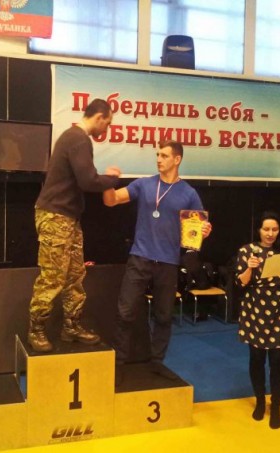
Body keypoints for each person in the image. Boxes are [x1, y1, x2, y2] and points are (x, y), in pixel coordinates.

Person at [103, 140, 212, 378]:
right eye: (157, 155)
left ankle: (157, 362)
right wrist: (108, 183)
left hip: (168, 262)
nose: (159, 159)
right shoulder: (144, 184)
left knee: (164, 316)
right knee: (125, 312)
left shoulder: (189, 193)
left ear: (177, 159)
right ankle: (117, 364)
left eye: (164, 155)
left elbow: (198, 229)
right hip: (140, 258)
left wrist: (204, 230)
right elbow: (111, 201)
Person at [27, 98, 121, 353]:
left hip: (67, 217)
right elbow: (88, 181)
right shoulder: (79, 139)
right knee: (53, 277)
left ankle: (71, 326)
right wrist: (112, 179)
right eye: (108, 123)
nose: (107, 128)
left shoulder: (74, 137)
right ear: (99, 117)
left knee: (74, 275)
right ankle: (36, 329)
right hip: (56, 217)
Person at [235, 210, 280, 429]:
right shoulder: (247, 251)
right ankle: (260, 401)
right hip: (255, 308)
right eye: (266, 229)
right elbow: (240, 283)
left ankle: (276, 406)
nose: (270, 233)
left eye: (274, 229)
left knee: (278, 360)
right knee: (256, 358)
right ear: (259, 230)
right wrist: (250, 268)